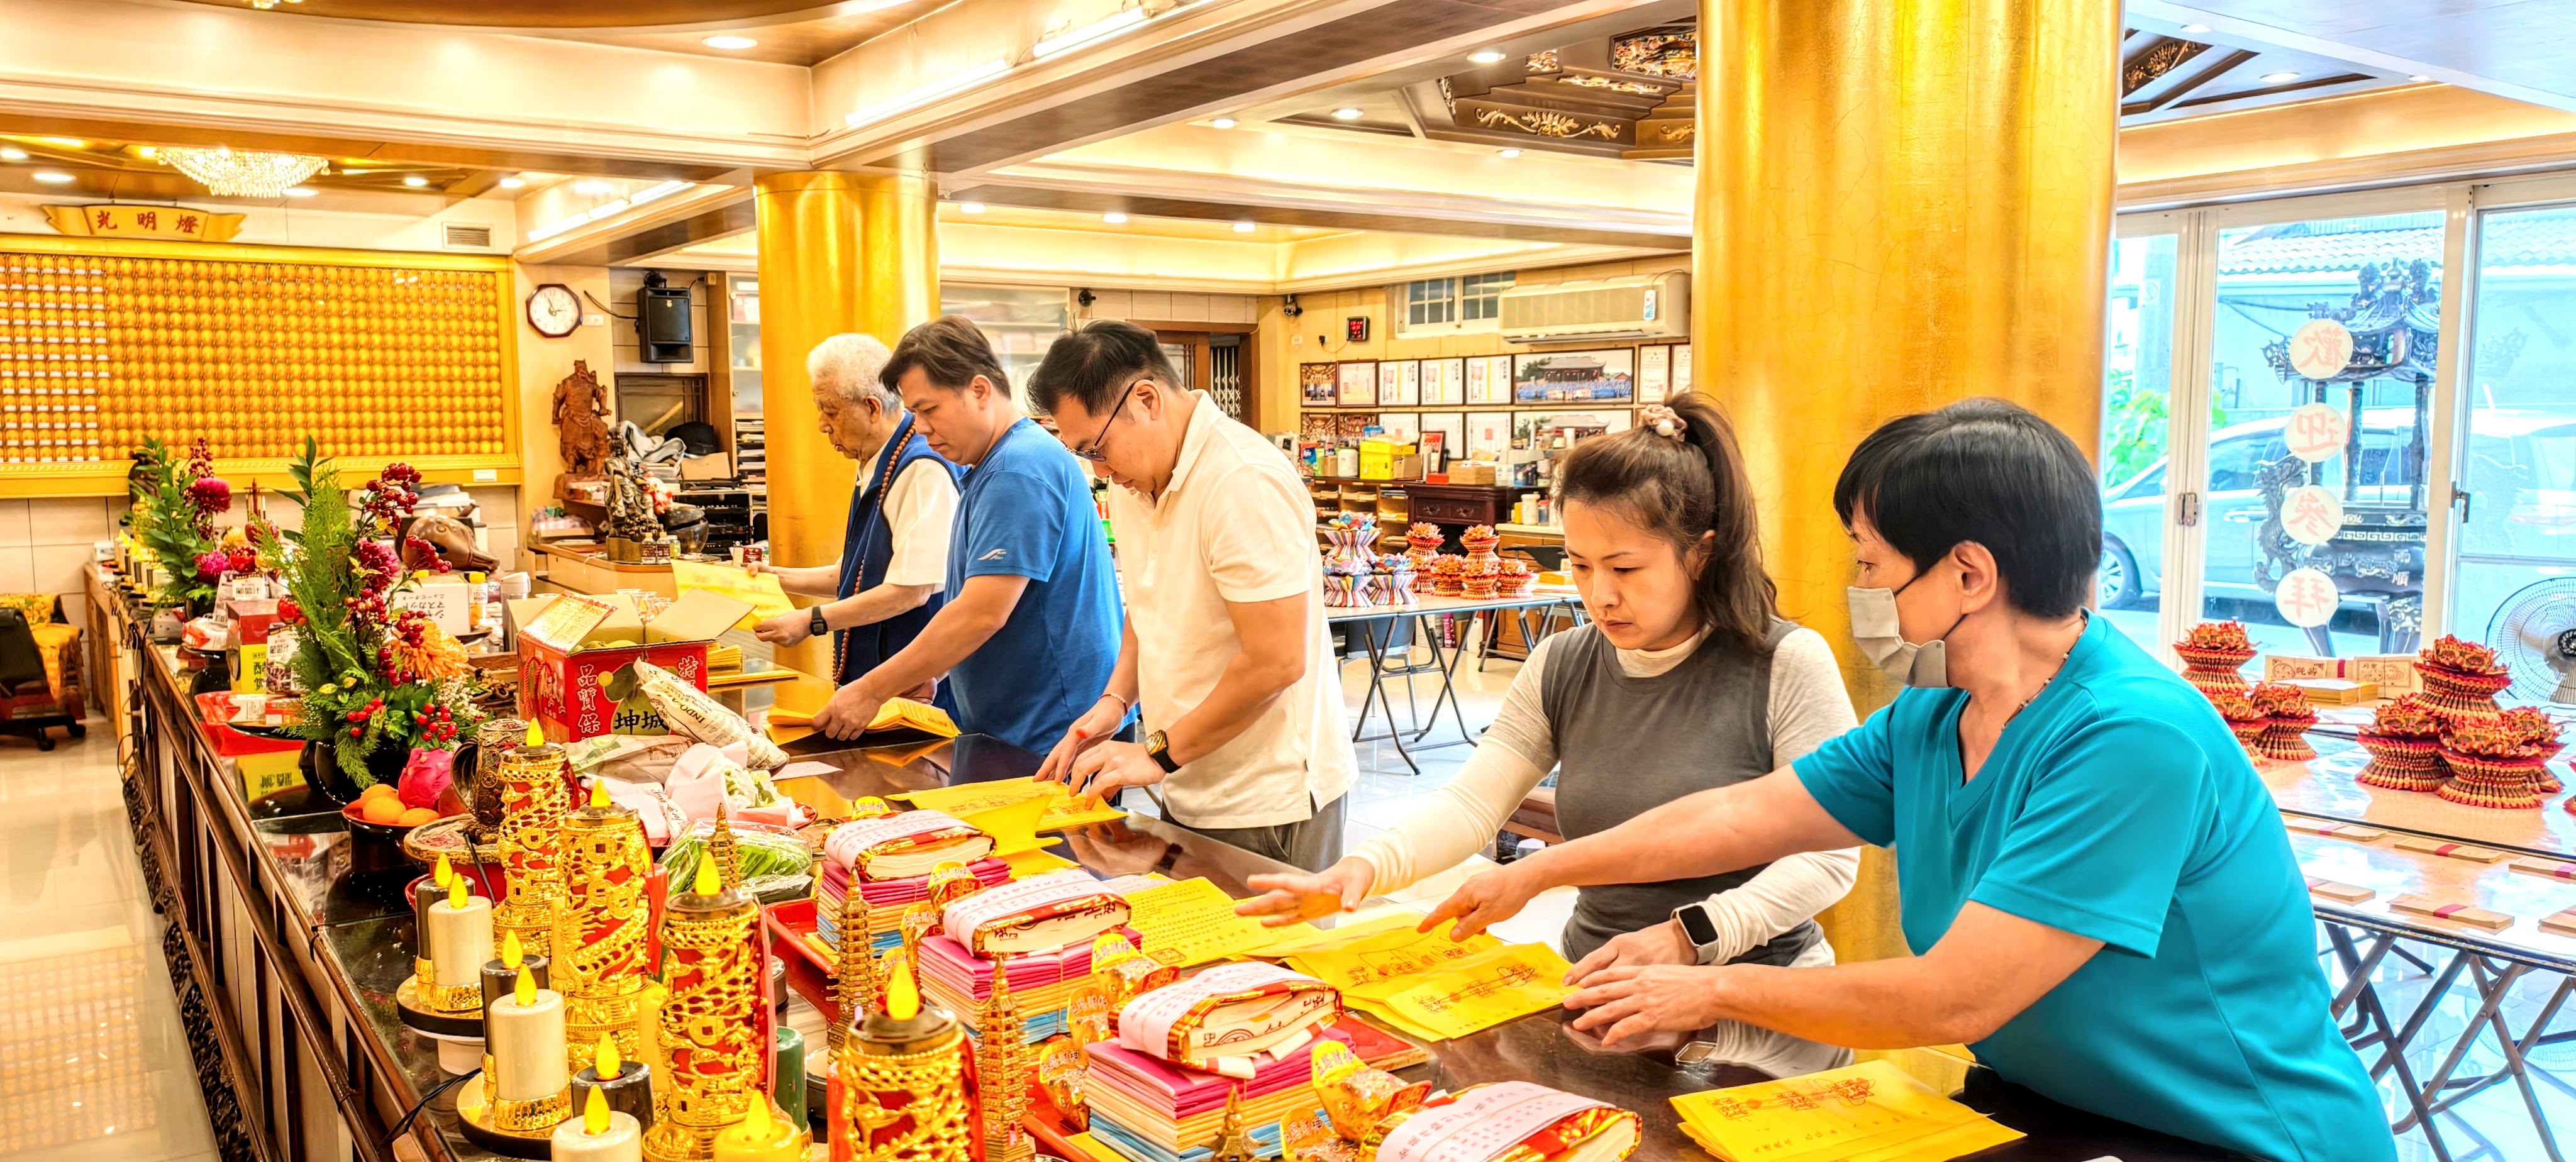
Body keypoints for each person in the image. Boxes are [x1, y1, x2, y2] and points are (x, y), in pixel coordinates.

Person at [1409, 399, 2394, 1162]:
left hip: (2231, 1134)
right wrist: (1540, 871)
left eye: (1873, 565)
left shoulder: (2130, 738)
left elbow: (1954, 999)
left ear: (1969, 574)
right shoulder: (1932, 717)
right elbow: (1742, 816)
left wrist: (1704, 986)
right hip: (2048, 1109)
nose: (1863, 592)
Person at [1238, 394, 1861, 965]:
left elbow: (1827, 856)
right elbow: (1473, 803)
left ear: (1701, 553)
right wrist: (1365, 868)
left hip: (1755, 991)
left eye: (1625, 568)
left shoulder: (1784, 663)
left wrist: (1690, 938)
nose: (1600, 595)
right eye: (1580, 566)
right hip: (1598, 978)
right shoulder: (1564, 661)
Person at [1026, 321, 1357, 872]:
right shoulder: (1136, 477)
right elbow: (1149, 601)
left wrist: (1158, 754)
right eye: (1083, 454)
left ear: (1147, 400)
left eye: (1098, 449)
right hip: (1186, 779)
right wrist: (1115, 701)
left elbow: (1276, 662)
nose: (1099, 470)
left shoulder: (1242, 481)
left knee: (1263, 935)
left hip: (1267, 799)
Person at [806, 317, 1123, 754]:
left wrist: (871, 690)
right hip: (1021, 722)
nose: (920, 427)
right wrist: (932, 670)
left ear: (979, 391)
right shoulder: (994, 464)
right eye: (915, 413)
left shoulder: (1017, 469)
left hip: (1052, 731)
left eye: (928, 410)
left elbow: (981, 613)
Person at [749, 334, 960, 691]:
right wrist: (774, 578)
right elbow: (850, 576)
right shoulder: (877, 462)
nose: (822, 424)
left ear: (872, 408)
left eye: (831, 411)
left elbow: (912, 590)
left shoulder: (922, 469)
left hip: (914, 686)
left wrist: (812, 621)